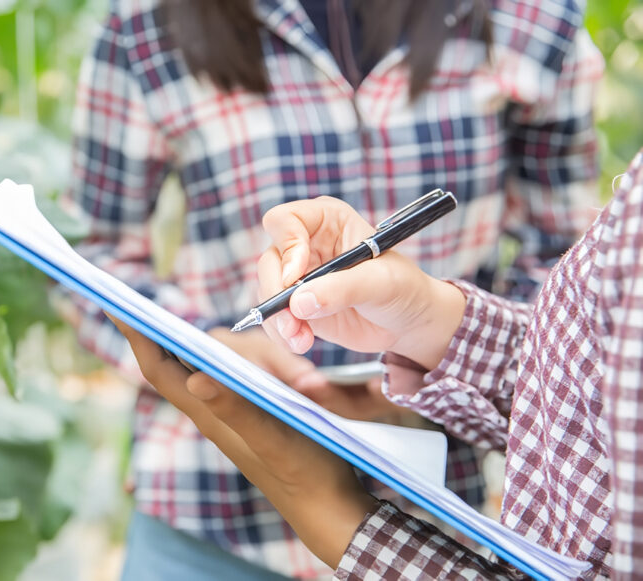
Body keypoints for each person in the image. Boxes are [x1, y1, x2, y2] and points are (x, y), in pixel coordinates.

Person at [64, 0, 602, 577]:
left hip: (436, 519)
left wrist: (435, 359)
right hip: (214, 508)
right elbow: (92, 254)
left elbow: (568, 270)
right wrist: (207, 347)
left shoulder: (534, 18)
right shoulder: (147, 22)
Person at [112, 148, 643, 579]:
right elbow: (589, 364)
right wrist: (429, 324)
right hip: (207, 518)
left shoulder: (528, 19)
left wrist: (335, 513)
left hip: (433, 512)